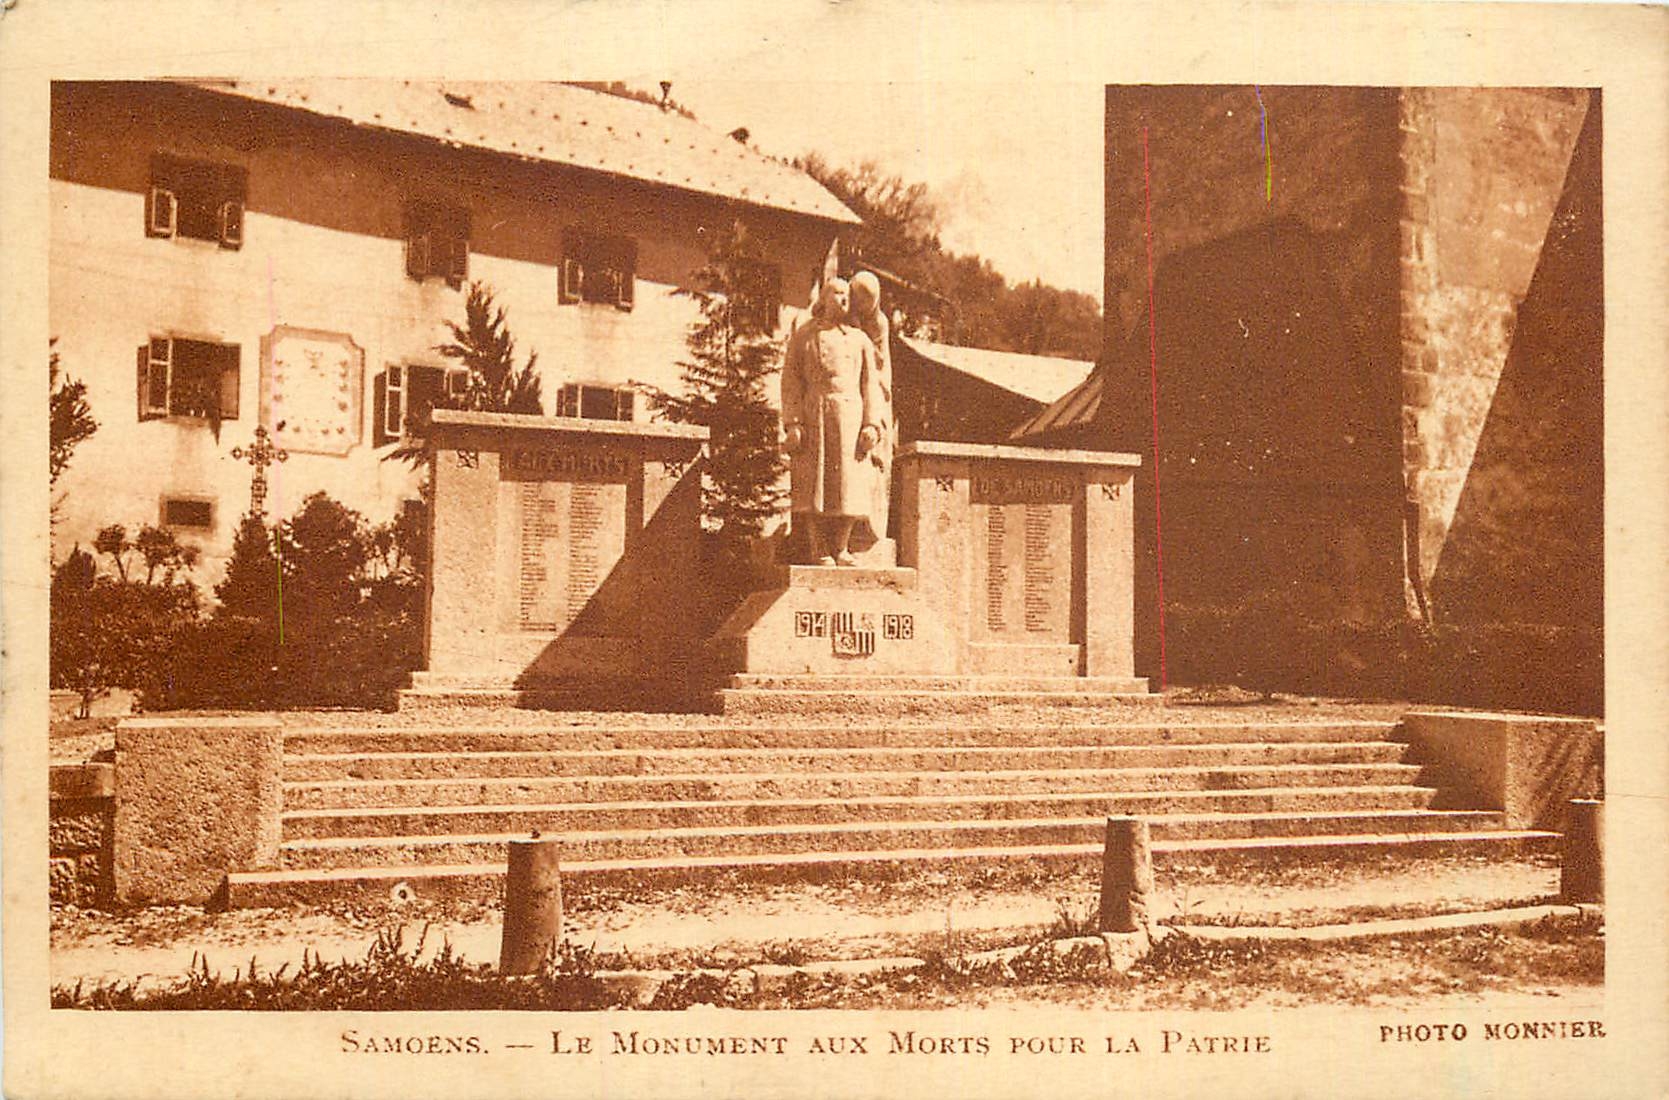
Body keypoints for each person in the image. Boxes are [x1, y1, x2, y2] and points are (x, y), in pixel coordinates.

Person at [780, 278, 884, 565]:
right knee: (814, 486)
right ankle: (818, 548)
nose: (844, 299)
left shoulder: (860, 340)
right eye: (837, 293)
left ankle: (841, 547)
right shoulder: (804, 336)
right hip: (815, 413)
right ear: (824, 299)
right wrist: (793, 422)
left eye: (847, 295)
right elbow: (791, 381)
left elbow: (870, 384)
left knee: (849, 485)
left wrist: (871, 424)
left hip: (851, 416)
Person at [847, 271, 894, 547]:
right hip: (847, 396)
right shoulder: (843, 318)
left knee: (873, 462)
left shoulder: (880, 323)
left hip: (874, 391)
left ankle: (869, 528)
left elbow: (880, 361)